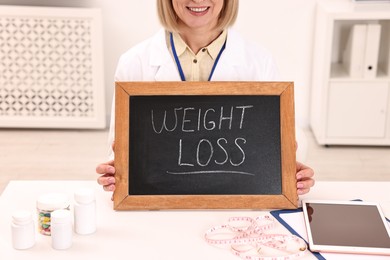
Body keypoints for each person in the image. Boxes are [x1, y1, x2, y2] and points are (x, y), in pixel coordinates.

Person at [96, 0, 315, 196]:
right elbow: (118, 147)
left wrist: (290, 172)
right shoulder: (133, 63)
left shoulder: (259, 63)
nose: (198, 0)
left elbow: (283, 143)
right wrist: (115, 173)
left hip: (235, 201)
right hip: (159, 202)